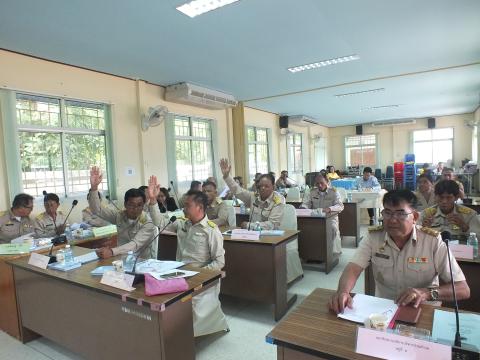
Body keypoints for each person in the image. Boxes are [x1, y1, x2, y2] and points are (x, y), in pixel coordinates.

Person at [329, 189, 470, 314]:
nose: (392, 220)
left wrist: (426, 293)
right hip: (383, 311)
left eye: (400, 214)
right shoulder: (374, 237)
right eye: (387, 213)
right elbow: (353, 268)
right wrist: (343, 292)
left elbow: (463, 289)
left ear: (414, 217)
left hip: (424, 311)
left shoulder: (432, 241)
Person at [147, 178, 228, 337]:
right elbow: (158, 221)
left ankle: (184, 334)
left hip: (199, 278)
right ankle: (171, 332)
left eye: (187, 205)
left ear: (200, 207)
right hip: (178, 274)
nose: (183, 209)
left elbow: (219, 262)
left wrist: (198, 275)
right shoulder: (182, 224)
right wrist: (152, 200)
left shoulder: (211, 230)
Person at [88, 167, 157, 259]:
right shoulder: (119, 215)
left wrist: (112, 251)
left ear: (143, 205)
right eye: (131, 205)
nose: (135, 209)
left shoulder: (148, 222)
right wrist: (94, 188)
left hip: (143, 261)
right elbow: (97, 210)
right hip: (122, 259)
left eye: (139, 205)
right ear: (125, 204)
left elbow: (134, 245)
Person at [220, 159, 285, 230]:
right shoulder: (253, 196)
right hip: (252, 235)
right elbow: (237, 190)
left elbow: (272, 224)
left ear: (273, 187)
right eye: (261, 186)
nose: (263, 188)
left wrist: (249, 226)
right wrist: (227, 176)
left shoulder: (278, 200)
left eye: (266, 186)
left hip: (271, 236)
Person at [300, 173, 344, 254]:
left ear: (327, 181)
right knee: (304, 228)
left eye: (322, 183)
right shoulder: (312, 192)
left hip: (331, 219)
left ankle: (328, 253)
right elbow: (306, 203)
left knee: (332, 228)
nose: (319, 185)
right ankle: (312, 253)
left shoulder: (333, 192)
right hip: (315, 218)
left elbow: (340, 206)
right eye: (317, 183)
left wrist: (330, 209)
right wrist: (303, 208)